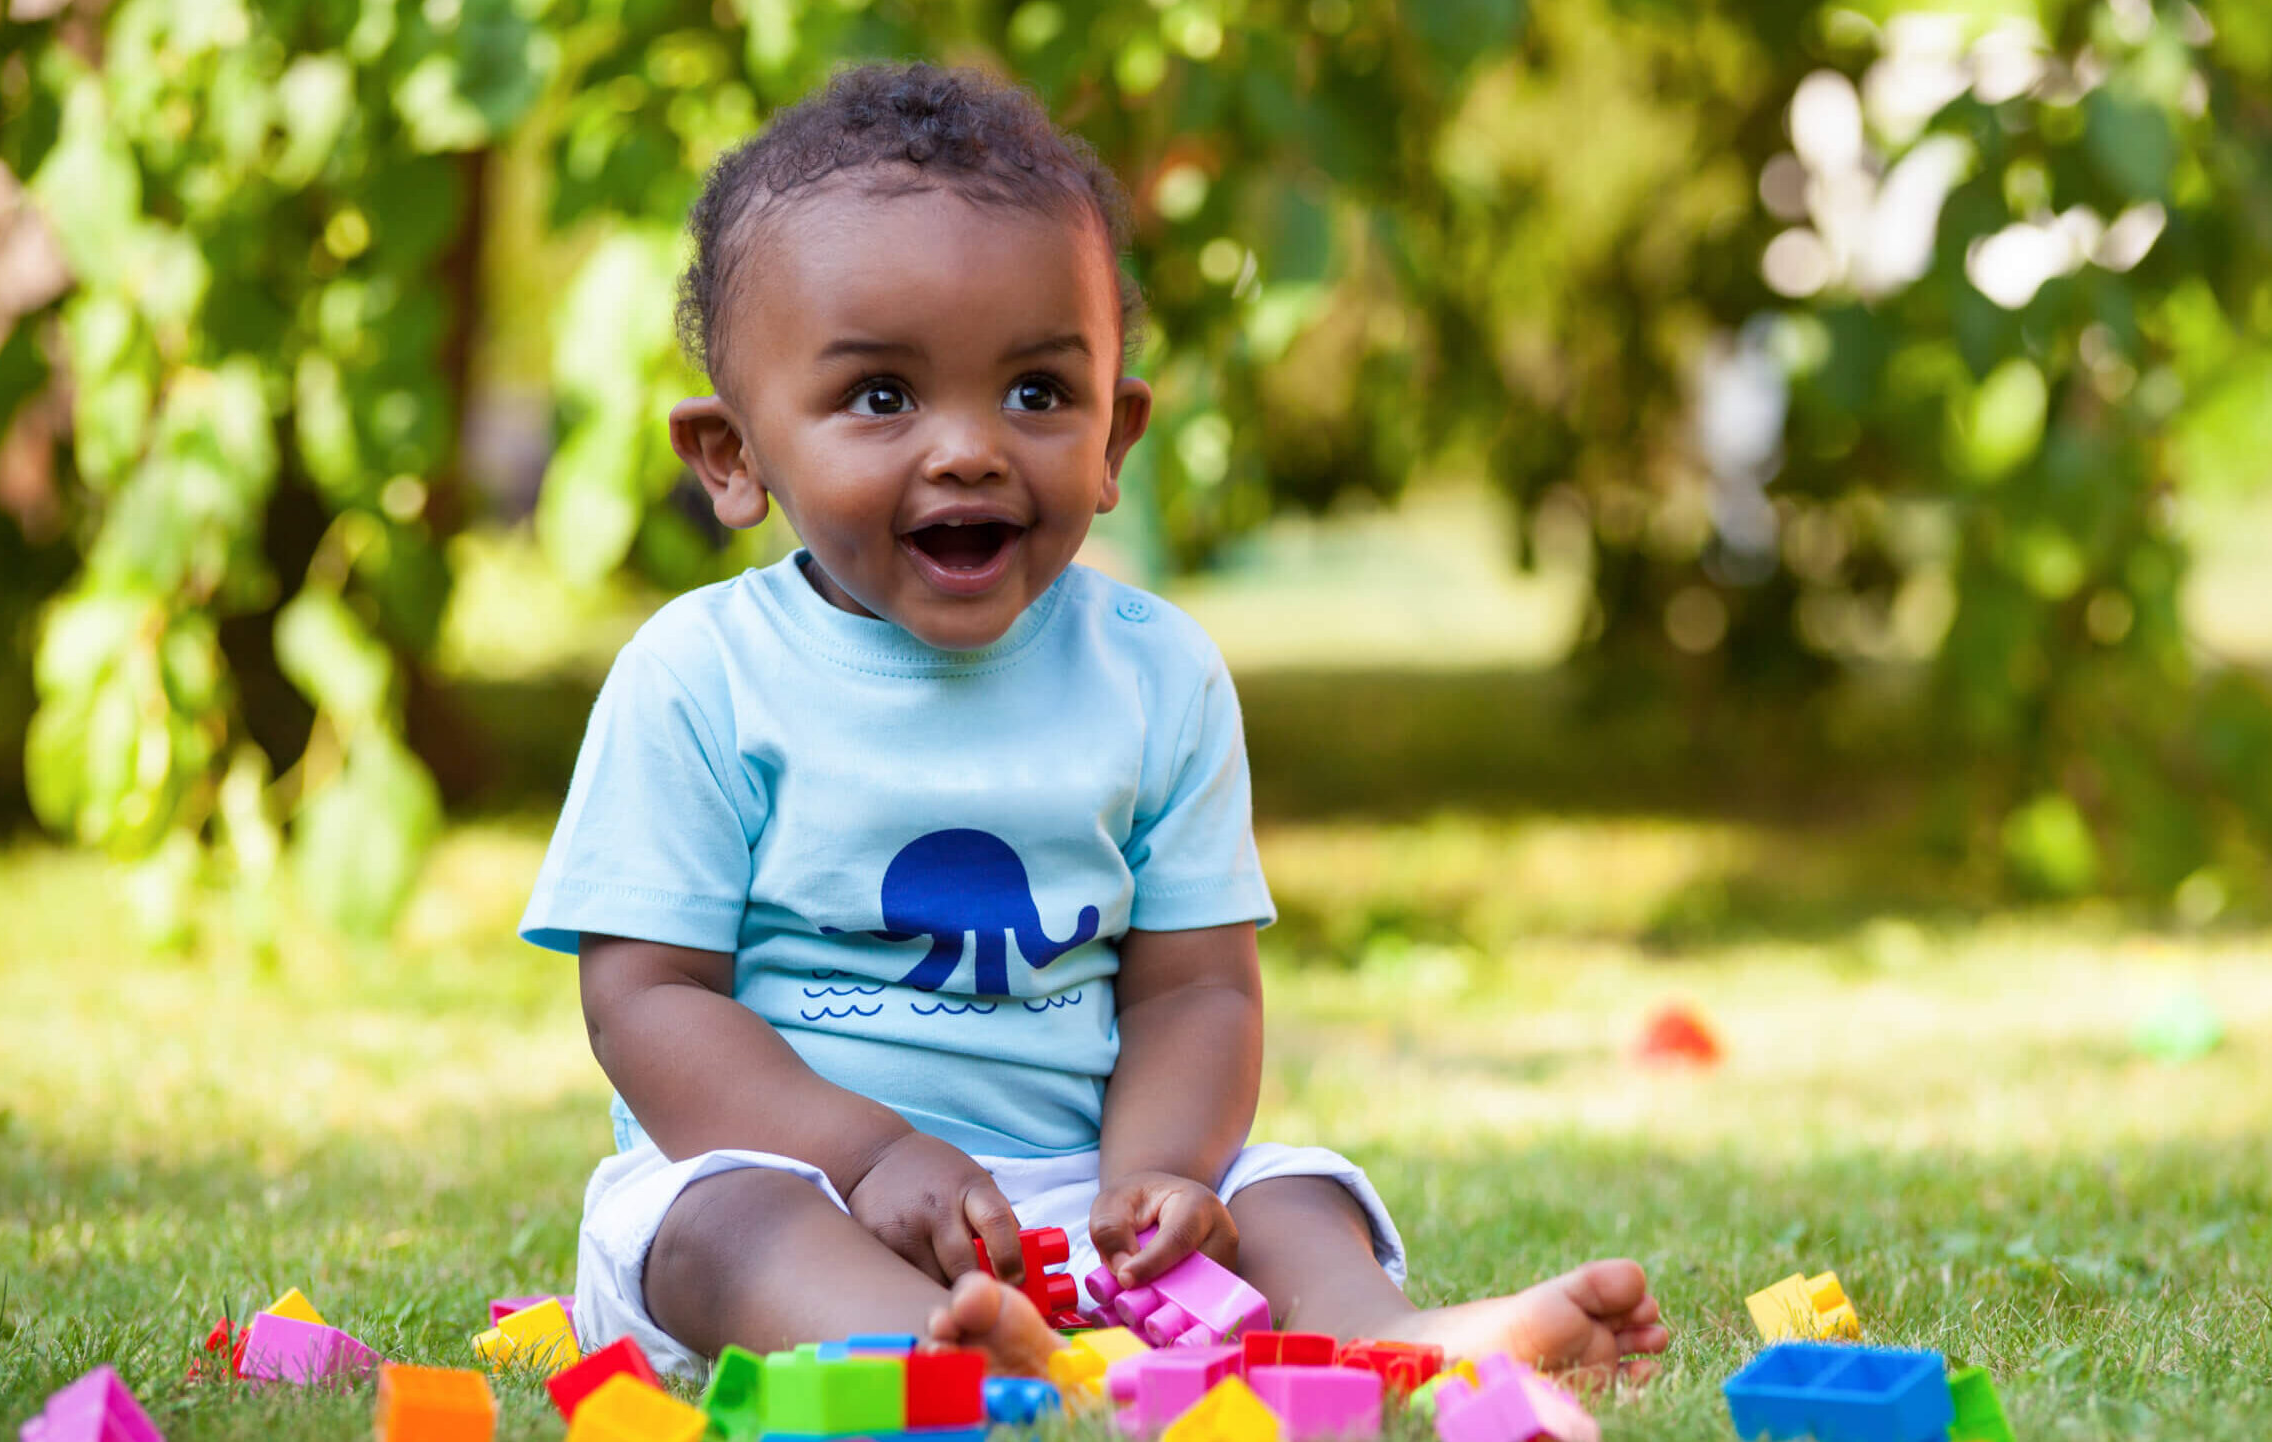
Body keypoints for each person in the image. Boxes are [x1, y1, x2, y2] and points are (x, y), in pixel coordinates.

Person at [520, 61, 1669, 1383]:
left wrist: (1158, 1178)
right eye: (882, 396)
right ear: (733, 455)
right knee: (720, 1225)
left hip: (1077, 1192)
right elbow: (650, 999)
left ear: (1116, 433)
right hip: (802, 1182)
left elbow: (1194, 987)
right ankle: (939, 1360)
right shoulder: (699, 675)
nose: (970, 449)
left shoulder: (1155, 676)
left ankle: (1400, 1344)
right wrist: (871, 1153)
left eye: (1035, 393)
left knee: (1296, 1191)